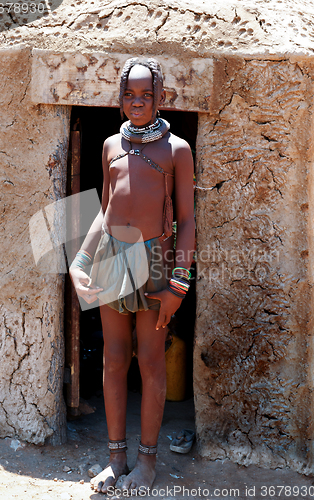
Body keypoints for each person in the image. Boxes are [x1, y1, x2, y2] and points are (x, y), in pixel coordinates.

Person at [69, 57, 195, 494]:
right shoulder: (109, 145)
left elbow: (187, 220)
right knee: (115, 358)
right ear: (118, 98)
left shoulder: (176, 149)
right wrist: (80, 262)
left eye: (146, 95)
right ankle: (115, 459)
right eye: (128, 94)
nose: (136, 102)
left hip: (156, 262)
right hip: (113, 257)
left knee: (151, 359)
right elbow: (105, 214)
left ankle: (147, 463)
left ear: (162, 98)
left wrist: (179, 284)